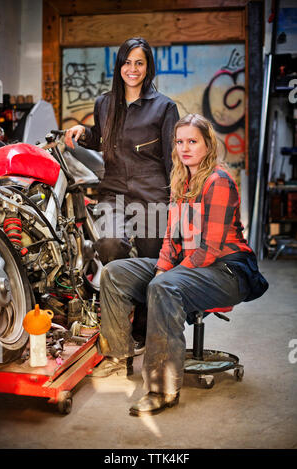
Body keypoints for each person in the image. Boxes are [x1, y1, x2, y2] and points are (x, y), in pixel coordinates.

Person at [92, 113, 269, 416]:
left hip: (227, 271)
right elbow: (171, 240)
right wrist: (161, 268)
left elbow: (209, 249)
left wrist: (166, 278)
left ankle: (162, 390)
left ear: (207, 144)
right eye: (180, 141)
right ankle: (117, 359)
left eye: (193, 141)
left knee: (164, 285)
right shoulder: (180, 181)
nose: (185, 147)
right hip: (189, 264)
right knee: (115, 273)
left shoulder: (219, 181)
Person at [64, 37, 179, 353]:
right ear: (119, 65)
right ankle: (121, 308)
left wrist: (178, 201)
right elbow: (100, 137)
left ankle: (141, 330)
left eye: (139, 63)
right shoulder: (104, 103)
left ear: (148, 67)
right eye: (127, 62)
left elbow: (173, 159)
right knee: (110, 245)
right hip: (113, 192)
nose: (133, 69)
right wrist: (82, 133)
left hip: (152, 195)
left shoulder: (164, 107)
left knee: (151, 264)